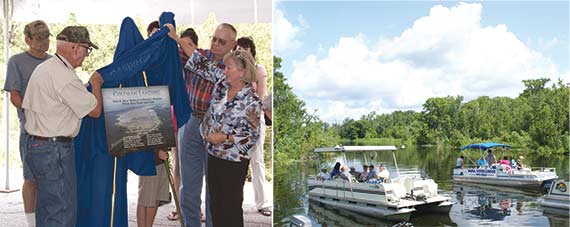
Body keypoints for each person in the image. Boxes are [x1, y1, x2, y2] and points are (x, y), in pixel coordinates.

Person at [170, 33, 262, 226]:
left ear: (242, 72)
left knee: (230, 208)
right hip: (214, 156)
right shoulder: (221, 84)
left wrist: (225, 137)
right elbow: (200, 63)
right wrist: (177, 39)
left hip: (234, 162)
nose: (225, 70)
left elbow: (251, 137)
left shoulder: (251, 100)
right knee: (216, 206)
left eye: (229, 68)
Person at [22, 25, 102, 227]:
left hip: (36, 146)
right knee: (61, 213)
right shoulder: (64, 76)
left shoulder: (48, 68)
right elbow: (95, 111)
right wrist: (97, 85)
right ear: (75, 47)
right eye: (87, 49)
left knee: (47, 211)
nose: (86, 55)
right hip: (54, 150)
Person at [174, 23, 238, 227]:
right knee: (188, 185)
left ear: (233, 44)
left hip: (217, 129)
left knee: (214, 187)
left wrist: (178, 38)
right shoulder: (198, 54)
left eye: (222, 41)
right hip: (191, 122)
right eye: (214, 39)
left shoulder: (235, 69)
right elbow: (170, 56)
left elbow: (203, 66)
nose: (216, 44)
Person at [3, 20, 51, 227]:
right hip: (31, 131)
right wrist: (32, 111)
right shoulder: (17, 61)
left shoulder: (55, 62)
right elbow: (14, 95)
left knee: (52, 182)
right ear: (27, 40)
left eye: (47, 37)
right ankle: (32, 223)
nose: (44, 42)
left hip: (57, 132)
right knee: (31, 179)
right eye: (39, 38)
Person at [236, 36, 271, 217]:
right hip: (239, 122)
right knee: (238, 162)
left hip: (256, 120)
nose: (242, 53)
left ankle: (263, 203)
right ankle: (236, 202)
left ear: (251, 50)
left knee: (257, 161)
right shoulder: (236, 71)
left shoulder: (259, 70)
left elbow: (261, 97)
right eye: (239, 50)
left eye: (245, 49)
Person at [168, 27, 200, 222]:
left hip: (201, 123)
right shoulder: (177, 68)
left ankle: (195, 211)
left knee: (201, 174)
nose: (183, 49)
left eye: (187, 45)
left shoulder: (203, 65)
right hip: (180, 122)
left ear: (195, 46)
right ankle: (180, 208)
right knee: (180, 168)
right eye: (181, 46)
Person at [136, 149, 170, 227]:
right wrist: (156, 152)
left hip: (161, 159)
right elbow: (142, 138)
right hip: (149, 160)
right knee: (145, 200)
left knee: (155, 198)